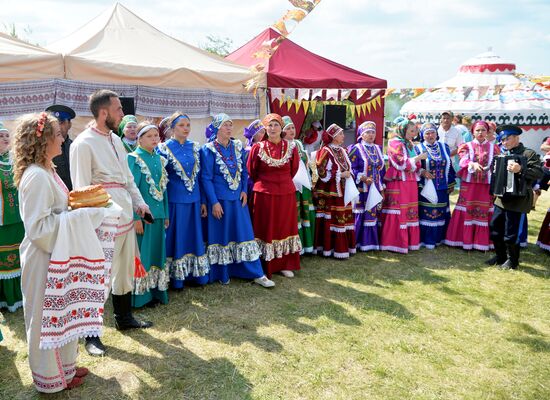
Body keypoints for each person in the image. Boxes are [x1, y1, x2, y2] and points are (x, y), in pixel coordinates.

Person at [12, 112, 110, 392]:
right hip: (43, 256)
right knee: (45, 316)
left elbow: (57, 212)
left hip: (57, 253)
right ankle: (48, 377)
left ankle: (64, 369)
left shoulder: (48, 171)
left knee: (62, 312)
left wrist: (79, 209)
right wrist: (79, 217)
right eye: (58, 134)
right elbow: (39, 228)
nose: (63, 137)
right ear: (43, 141)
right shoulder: (36, 177)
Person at [70, 90, 152, 357]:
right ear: (103, 112)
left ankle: (124, 318)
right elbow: (81, 188)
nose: (122, 113)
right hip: (101, 220)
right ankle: (91, 335)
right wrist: (92, 224)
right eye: (118, 109)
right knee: (99, 275)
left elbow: (127, 179)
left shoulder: (116, 141)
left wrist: (141, 205)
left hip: (126, 216)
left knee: (124, 268)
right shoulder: (83, 144)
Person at [201, 113, 274, 287]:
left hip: (237, 200)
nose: (229, 128)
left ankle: (256, 272)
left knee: (244, 234)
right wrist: (213, 202)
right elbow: (206, 178)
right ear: (217, 128)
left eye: (230, 125)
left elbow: (244, 171)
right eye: (225, 125)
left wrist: (244, 191)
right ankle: (223, 272)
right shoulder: (208, 149)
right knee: (222, 237)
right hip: (220, 202)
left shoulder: (237, 146)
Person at [157, 112, 209, 289]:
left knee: (192, 237)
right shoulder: (163, 148)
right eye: (181, 125)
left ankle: (194, 275)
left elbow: (200, 176)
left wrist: (202, 201)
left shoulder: (195, 147)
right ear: (172, 128)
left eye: (188, 125)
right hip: (174, 201)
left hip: (193, 201)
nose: (186, 128)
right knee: (176, 238)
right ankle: (175, 278)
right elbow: (161, 180)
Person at [248, 113, 302, 276]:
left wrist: (281, 182)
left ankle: (284, 264)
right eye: (269, 125)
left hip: (285, 192)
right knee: (265, 228)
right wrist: (267, 183)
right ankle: (263, 264)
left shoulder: (291, 147)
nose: (273, 128)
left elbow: (294, 169)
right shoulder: (258, 147)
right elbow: (252, 170)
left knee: (284, 227)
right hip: (264, 193)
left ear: (281, 128)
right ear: (265, 128)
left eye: (276, 125)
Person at [487, 125, 543, 269]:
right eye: (502, 140)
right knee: (494, 228)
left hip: (518, 199)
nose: (504, 142)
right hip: (501, 198)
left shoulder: (528, 153)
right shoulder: (503, 154)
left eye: (507, 139)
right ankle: (501, 257)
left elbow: (539, 173)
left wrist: (521, 169)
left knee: (510, 233)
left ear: (517, 137)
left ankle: (513, 261)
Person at [128, 122, 170, 307]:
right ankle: (141, 297)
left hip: (158, 214)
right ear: (139, 139)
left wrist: (166, 213)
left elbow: (164, 190)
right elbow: (131, 189)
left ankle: (156, 292)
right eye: (149, 136)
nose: (154, 139)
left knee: (156, 254)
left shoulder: (159, 159)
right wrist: (135, 217)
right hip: (143, 216)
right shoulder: (134, 158)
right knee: (143, 255)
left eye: (156, 135)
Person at [445, 120, 500, 251]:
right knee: (467, 208)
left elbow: (498, 164)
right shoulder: (466, 146)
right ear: (473, 132)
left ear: (487, 132)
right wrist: (472, 164)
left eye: (483, 130)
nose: (480, 133)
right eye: (478, 130)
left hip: (486, 185)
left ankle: (481, 242)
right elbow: (463, 159)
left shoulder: (494, 148)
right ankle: (463, 240)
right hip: (469, 185)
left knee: (483, 210)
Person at [380, 116, 427, 253]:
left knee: (409, 212)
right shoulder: (395, 143)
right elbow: (401, 163)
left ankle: (409, 242)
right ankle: (395, 242)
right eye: (412, 131)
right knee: (399, 210)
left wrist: (421, 168)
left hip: (410, 182)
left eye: (415, 131)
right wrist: (418, 158)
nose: (414, 134)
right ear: (403, 130)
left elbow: (415, 165)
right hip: (399, 182)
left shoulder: (409, 143)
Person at [314, 123, 357, 258]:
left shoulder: (342, 150)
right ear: (333, 136)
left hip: (344, 190)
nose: (343, 136)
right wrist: (340, 174)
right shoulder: (326, 151)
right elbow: (322, 172)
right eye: (340, 134)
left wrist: (349, 173)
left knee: (343, 216)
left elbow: (348, 167)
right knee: (332, 216)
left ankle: (343, 247)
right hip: (331, 191)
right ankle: (329, 247)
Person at [415, 122, 456, 249]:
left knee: (440, 212)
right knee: (427, 213)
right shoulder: (418, 148)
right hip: (426, 188)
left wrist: (451, 183)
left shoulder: (444, 147)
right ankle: (427, 240)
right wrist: (422, 172)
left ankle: (439, 238)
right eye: (427, 133)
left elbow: (450, 167)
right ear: (422, 135)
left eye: (432, 132)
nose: (430, 135)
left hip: (442, 187)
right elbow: (414, 167)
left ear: (436, 134)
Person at [348, 121, 386, 251]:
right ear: (361, 135)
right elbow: (351, 168)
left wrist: (382, 188)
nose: (371, 135)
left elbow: (382, 170)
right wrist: (362, 177)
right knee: (360, 213)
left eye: (373, 132)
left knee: (372, 214)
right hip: (361, 188)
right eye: (367, 132)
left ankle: (369, 243)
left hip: (375, 188)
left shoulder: (378, 149)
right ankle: (357, 242)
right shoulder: (356, 149)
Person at [282, 115, 315, 254]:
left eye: (293, 128)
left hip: (303, 185)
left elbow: (307, 163)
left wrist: (311, 179)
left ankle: (307, 245)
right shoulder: (282, 145)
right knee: (294, 215)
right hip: (291, 185)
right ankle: (296, 248)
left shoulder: (299, 143)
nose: (291, 131)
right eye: (288, 128)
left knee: (305, 213)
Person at [0, 122, 23, 312]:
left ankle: (20, 295)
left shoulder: (15, 161)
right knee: (4, 260)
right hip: (2, 221)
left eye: (7, 136)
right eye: (1, 136)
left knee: (19, 256)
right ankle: (6, 299)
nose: (6, 139)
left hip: (19, 218)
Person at [46, 104, 76, 191]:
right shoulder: (46, 148)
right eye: (55, 123)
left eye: (62, 122)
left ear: (69, 124)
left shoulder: (75, 146)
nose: (58, 126)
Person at [243, 119, 265, 213]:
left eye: (264, 132)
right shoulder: (249, 150)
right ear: (254, 135)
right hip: (251, 183)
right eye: (261, 132)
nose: (264, 134)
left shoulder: (264, 148)